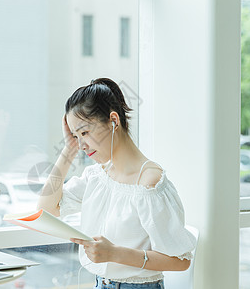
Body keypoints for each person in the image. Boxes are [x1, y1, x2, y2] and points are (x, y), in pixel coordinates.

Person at [37, 78, 196, 288]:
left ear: (113, 120)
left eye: (85, 132)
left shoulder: (150, 184)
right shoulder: (97, 177)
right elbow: (46, 209)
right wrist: (68, 149)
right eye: (76, 136)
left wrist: (115, 253)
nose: (82, 144)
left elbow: (181, 261)